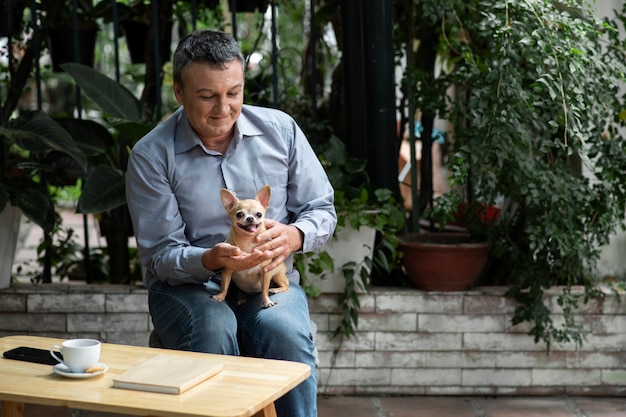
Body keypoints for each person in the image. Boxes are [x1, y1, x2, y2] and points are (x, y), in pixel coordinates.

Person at [125, 29, 337, 417]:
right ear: (179, 92)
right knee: (212, 326)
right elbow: (160, 257)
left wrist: (293, 235)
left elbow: (322, 209)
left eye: (234, 92)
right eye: (207, 96)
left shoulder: (282, 131)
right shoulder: (151, 156)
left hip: (269, 281)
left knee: (285, 334)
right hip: (190, 287)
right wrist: (211, 258)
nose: (223, 107)